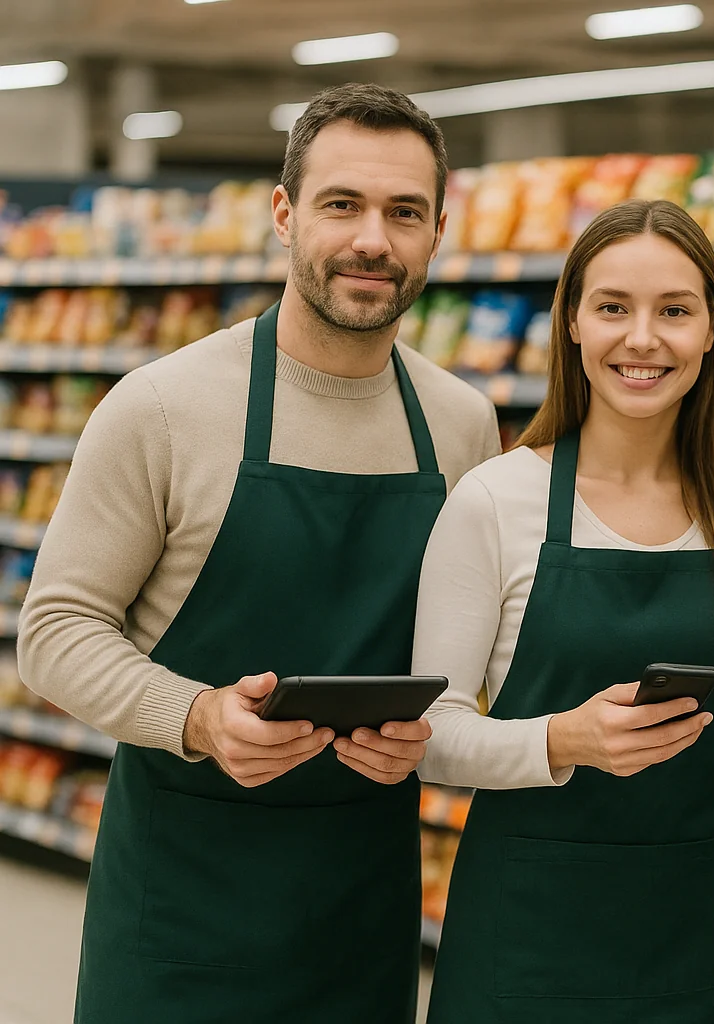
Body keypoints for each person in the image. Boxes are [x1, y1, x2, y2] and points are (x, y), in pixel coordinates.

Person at [17, 83, 501, 1023]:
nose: (374, 239)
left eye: (405, 212)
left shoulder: (460, 422)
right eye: (342, 204)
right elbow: (56, 630)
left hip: (362, 897)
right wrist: (197, 715)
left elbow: (464, 656)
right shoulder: (161, 407)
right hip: (185, 895)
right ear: (284, 215)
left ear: (439, 230)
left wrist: (440, 724)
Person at [413, 198, 714, 1024]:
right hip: (528, 929)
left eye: (675, 311)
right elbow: (428, 735)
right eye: (613, 307)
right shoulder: (496, 501)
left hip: (700, 927)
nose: (643, 338)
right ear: (573, 324)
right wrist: (563, 739)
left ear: (712, 331)